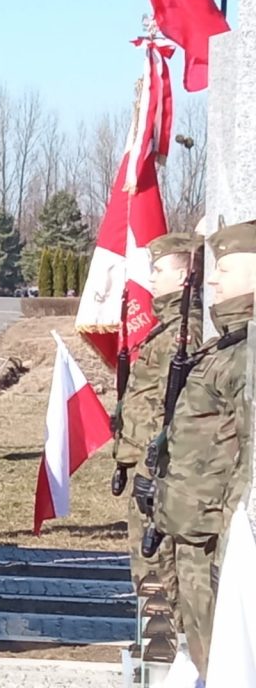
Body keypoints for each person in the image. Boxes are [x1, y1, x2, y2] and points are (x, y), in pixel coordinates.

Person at [152, 221, 256, 679]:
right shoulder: (226, 345)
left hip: (217, 535)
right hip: (194, 525)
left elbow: (249, 454)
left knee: (223, 658)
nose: (213, 280)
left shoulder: (245, 352)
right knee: (202, 654)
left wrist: (236, 539)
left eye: (227, 269)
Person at [112, 233, 203, 630]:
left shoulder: (186, 331)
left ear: (185, 275)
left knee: (160, 567)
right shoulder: (164, 327)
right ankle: (155, 644)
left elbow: (178, 407)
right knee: (147, 568)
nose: (151, 278)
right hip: (146, 461)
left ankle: (170, 649)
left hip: (162, 466)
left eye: (160, 269)